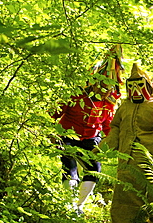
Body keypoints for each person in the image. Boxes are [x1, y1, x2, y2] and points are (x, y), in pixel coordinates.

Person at [98, 63, 153, 223]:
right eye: (131, 85)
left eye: (139, 84)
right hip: (128, 161)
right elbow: (115, 128)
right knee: (125, 196)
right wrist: (103, 147)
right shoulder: (124, 108)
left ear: (147, 85)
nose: (136, 89)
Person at [51, 45, 123, 214]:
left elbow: (107, 126)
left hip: (91, 138)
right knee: (70, 165)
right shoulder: (76, 95)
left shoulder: (108, 104)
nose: (105, 90)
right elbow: (55, 112)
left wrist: (112, 144)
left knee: (95, 169)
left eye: (109, 87)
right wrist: (51, 132)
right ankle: (68, 204)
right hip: (67, 135)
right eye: (102, 85)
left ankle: (79, 206)